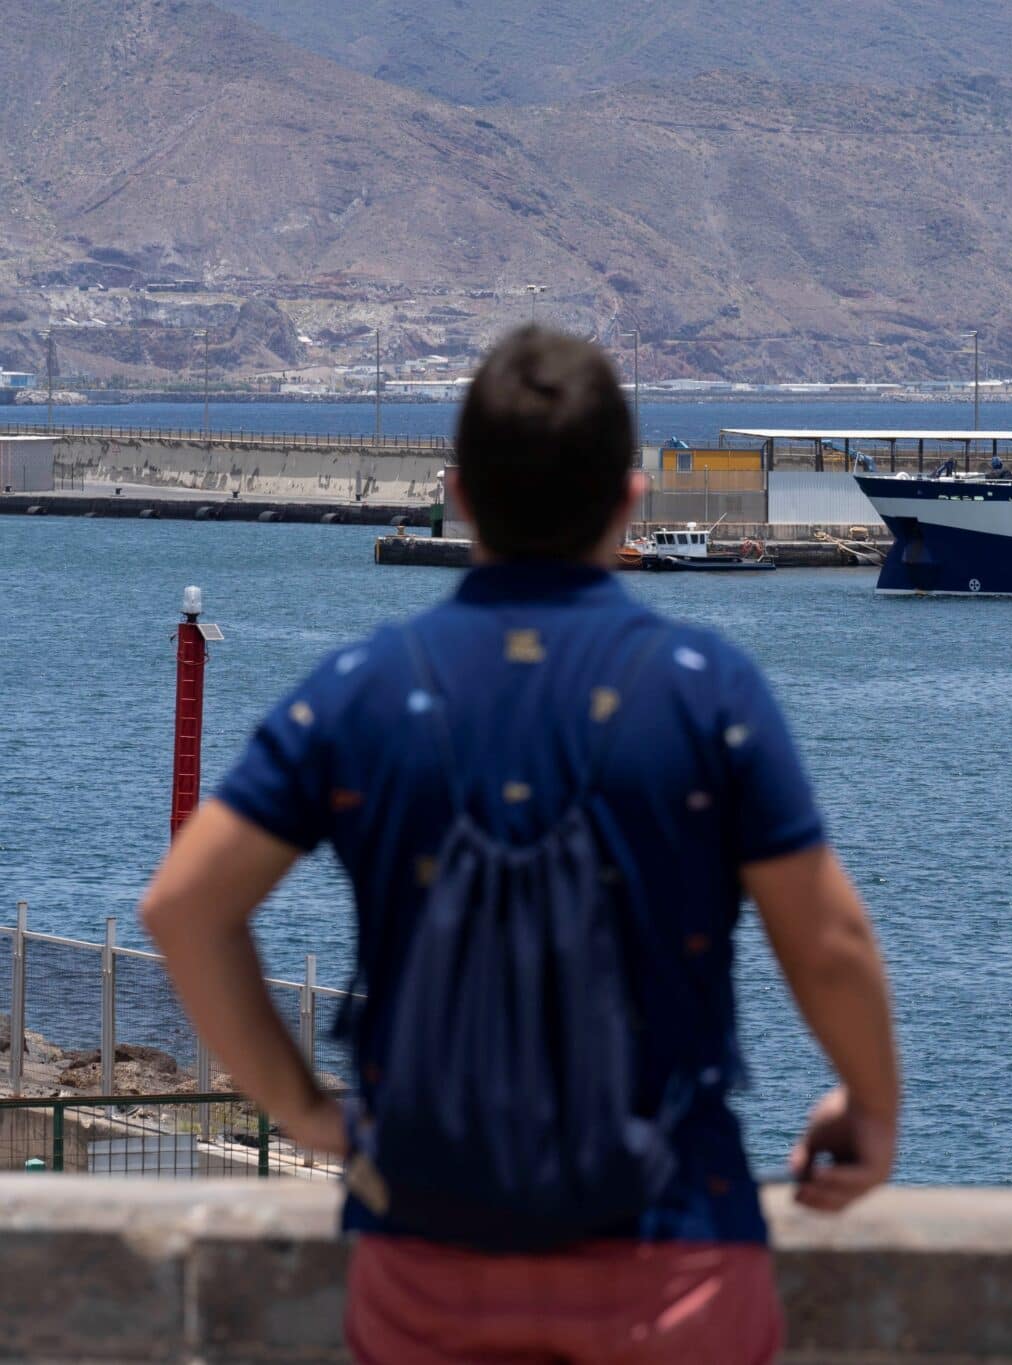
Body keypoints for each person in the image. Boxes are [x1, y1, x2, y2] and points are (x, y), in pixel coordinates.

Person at [140, 326, 898, 1364]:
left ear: (457, 495)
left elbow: (185, 908)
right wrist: (870, 1107)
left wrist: (309, 1115)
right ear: (631, 500)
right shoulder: (704, 688)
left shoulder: (366, 688)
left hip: (425, 1257)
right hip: (670, 1253)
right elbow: (829, 945)